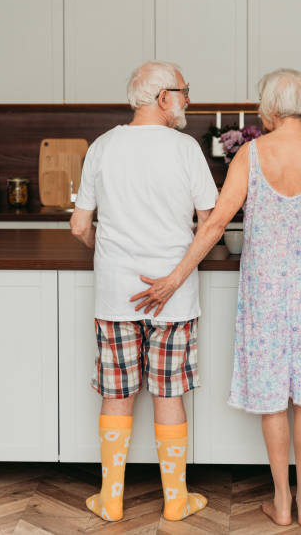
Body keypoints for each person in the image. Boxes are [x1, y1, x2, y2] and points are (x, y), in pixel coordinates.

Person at [130, 68, 301, 528]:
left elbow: (213, 226)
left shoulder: (251, 155)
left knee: (273, 394)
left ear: (269, 108)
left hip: (264, 290)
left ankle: (281, 502)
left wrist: (174, 278)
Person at [70, 60, 217, 522]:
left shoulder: (102, 146)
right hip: (174, 296)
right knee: (168, 394)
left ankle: (110, 500)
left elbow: (78, 226)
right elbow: (212, 223)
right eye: (184, 90)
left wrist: (114, 256)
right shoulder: (185, 149)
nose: (188, 99)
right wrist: (173, 277)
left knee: (117, 394)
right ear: (162, 97)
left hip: (116, 295)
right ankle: (177, 502)